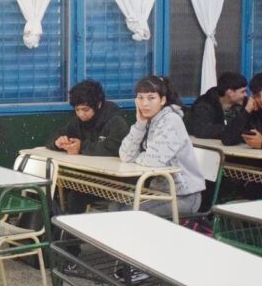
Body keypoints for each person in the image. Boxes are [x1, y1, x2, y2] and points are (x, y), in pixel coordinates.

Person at [118, 75, 205, 216]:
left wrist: (138, 157)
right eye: (140, 98)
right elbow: (125, 155)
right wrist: (139, 125)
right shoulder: (147, 120)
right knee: (114, 206)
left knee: (127, 213)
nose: (144, 103)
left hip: (184, 196)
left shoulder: (171, 120)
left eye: (151, 98)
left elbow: (153, 161)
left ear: (162, 100)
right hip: (158, 193)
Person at [46, 78, 129, 214]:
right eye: (77, 110)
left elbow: (114, 148)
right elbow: (56, 135)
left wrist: (81, 147)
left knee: (75, 195)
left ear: (98, 104)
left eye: (85, 109)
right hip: (86, 178)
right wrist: (58, 142)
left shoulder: (116, 122)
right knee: (57, 189)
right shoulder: (77, 121)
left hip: (113, 181)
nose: (81, 114)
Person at [185, 71, 247, 139]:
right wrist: (232, 129)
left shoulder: (241, 105)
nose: (245, 95)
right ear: (230, 92)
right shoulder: (204, 104)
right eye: (243, 92)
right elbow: (202, 130)